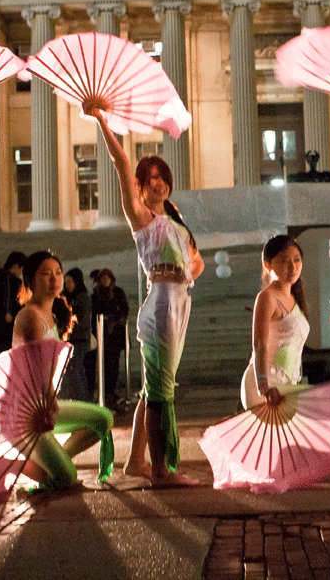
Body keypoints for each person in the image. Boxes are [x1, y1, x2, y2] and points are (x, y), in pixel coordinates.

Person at [90, 101, 205, 487]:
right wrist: (103, 122)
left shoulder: (174, 220)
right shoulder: (141, 217)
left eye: (163, 177)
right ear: (141, 186)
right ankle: (161, 470)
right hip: (160, 302)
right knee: (161, 389)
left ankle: (136, 462)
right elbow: (122, 165)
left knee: (152, 387)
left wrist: (188, 268)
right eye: (150, 178)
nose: (158, 182)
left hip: (179, 299)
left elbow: (197, 261)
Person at [0, 250, 114, 492]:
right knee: (66, 479)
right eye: (46, 274)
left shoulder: (52, 315)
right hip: (25, 414)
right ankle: (10, 462)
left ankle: (52, 461)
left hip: (43, 402)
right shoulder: (30, 316)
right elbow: (36, 372)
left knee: (103, 419)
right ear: (31, 281)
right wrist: (49, 404)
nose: (54, 279)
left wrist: (49, 402)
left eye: (58, 273)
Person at [240, 235, 310, 410]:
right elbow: (259, 344)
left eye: (297, 260)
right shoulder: (267, 297)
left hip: (288, 383)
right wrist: (264, 387)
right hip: (265, 385)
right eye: (284, 262)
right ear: (267, 264)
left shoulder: (294, 297)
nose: (292, 267)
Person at [90, 268, 129, 406]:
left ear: (111, 279)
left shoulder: (118, 292)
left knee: (114, 365)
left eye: (107, 278)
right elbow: (94, 312)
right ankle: (106, 392)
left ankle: (110, 391)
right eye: (102, 278)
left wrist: (110, 318)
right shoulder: (96, 294)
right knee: (104, 364)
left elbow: (125, 310)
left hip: (115, 335)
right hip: (102, 335)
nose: (105, 280)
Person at [0, 251, 26, 358]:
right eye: (21, 269)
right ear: (16, 266)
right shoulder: (14, 282)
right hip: (7, 331)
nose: (21, 272)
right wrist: (4, 314)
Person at [60, 267, 92, 402]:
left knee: (75, 369)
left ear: (77, 282)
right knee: (77, 370)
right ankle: (82, 399)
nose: (67, 285)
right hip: (73, 339)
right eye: (66, 282)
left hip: (80, 340)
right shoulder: (69, 298)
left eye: (70, 282)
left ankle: (81, 399)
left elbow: (83, 321)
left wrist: (66, 329)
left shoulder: (83, 297)